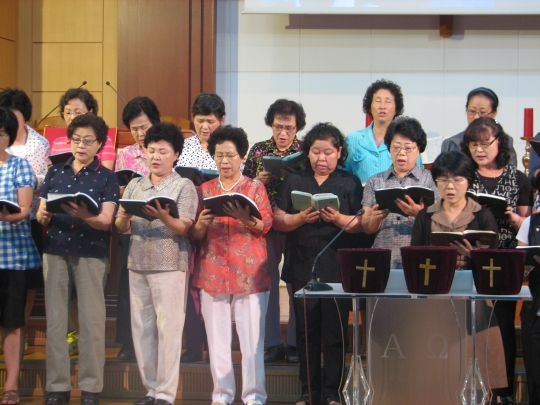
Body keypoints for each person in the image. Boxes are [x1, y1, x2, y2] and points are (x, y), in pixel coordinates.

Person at [274, 123, 368, 405]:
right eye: (316, 152)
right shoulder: (294, 180)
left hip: (337, 267)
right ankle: (309, 391)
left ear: (339, 152)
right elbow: (278, 219)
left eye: (328, 152)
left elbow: (362, 225)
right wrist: (299, 218)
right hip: (301, 265)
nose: (321, 158)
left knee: (335, 332)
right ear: (308, 152)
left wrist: (338, 219)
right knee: (306, 332)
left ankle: (332, 391)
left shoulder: (350, 182)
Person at [37, 114, 119, 405]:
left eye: (88, 140)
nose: (81, 145)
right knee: (56, 321)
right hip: (56, 249)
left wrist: (85, 215)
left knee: (91, 321)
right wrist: (44, 213)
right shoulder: (55, 172)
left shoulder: (107, 177)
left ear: (100, 144)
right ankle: (57, 387)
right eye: (76, 139)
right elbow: (41, 213)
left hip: (91, 251)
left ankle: (90, 388)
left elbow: (106, 221)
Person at [115, 122, 198, 405]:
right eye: (151, 151)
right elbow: (120, 226)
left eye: (163, 151)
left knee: (169, 329)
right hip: (137, 261)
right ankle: (150, 389)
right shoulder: (135, 184)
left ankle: (165, 393)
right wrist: (124, 217)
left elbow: (183, 227)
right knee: (142, 328)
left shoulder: (183, 185)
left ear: (176, 155)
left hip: (170, 263)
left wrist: (163, 216)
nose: (156, 157)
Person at [191, 125, 273, 405]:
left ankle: (254, 397)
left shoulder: (255, 187)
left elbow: (265, 225)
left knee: (252, 341)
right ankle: (222, 396)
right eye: (219, 155)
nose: (224, 161)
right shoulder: (204, 190)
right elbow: (196, 234)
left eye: (230, 155)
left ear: (242, 157)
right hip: (213, 271)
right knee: (217, 341)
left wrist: (245, 218)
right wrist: (200, 225)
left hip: (249, 273)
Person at [461, 117, 533, 405]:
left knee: (502, 326)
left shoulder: (518, 178)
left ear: (499, 142)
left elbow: (527, 225)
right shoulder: (464, 175)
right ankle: (469, 388)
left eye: (485, 143)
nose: (479, 150)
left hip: (504, 259)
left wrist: (511, 216)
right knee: (469, 325)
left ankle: (503, 393)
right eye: (473, 145)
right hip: (470, 256)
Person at [243, 99, 305, 364]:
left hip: (295, 224)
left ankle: (295, 343)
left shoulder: (304, 151)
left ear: (297, 128)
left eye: (289, 128)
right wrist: (257, 180)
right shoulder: (258, 150)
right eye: (278, 126)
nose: (283, 133)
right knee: (267, 284)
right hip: (264, 225)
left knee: (295, 284)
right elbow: (243, 185)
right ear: (271, 124)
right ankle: (273, 343)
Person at [0, 89, 50, 339]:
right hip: (3, 223)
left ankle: (22, 328)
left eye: (15, 115)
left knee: (27, 282)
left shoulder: (38, 144)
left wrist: (25, 183)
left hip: (27, 219)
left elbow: (43, 178)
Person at [113, 96, 161, 361]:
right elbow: (118, 190)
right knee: (127, 288)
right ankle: (128, 342)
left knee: (156, 290)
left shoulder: (166, 151)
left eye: (144, 127)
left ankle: (156, 341)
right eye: (134, 129)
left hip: (160, 229)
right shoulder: (125, 155)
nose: (140, 133)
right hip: (131, 229)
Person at [0, 107, 41, 405]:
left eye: (1, 133)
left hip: (11, 256)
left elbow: (25, 210)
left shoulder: (19, 166)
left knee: (12, 322)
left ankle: (11, 385)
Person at [362, 116, 439, 268]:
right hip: (383, 258)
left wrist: (419, 215)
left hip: (419, 259)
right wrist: (375, 219)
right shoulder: (375, 181)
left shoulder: (431, 180)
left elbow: (442, 224)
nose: (401, 153)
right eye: (396, 147)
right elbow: (366, 227)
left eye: (408, 148)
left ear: (419, 149)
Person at [411, 151, 498, 260]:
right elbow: (414, 256)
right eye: (443, 180)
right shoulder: (424, 216)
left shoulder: (483, 215)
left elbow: (494, 259)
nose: (450, 186)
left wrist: (474, 256)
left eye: (457, 180)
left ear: (468, 182)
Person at [344, 79, 422, 183]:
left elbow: (418, 177)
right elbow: (343, 175)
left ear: (396, 108)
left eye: (388, 102)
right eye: (377, 101)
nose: (382, 106)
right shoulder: (353, 139)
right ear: (369, 106)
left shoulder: (408, 140)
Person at [441, 87, 517, 166]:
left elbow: (510, 170)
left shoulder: (504, 141)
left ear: (493, 114)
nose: (476, 117)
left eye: (483, 112)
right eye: (472, 111)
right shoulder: (451, 144)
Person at [51, 88, 116, 170]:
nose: (72, 117)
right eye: (68, 113)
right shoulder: (57, 143)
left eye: (78, 112)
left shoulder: (103, 140)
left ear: (90, 112)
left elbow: (106, 173)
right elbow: (54, 172)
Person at [516, 214, 540, 405]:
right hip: (535, 312)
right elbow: (520, 273)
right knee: (535, 377)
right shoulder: (531, 223)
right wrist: (524, 269)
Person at [176, 92, 225, 170]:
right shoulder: (181, 146)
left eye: (210, 122)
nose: (205, 127)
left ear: (222, 120)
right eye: (200, 121)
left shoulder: (231, 148)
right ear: (192, 117)